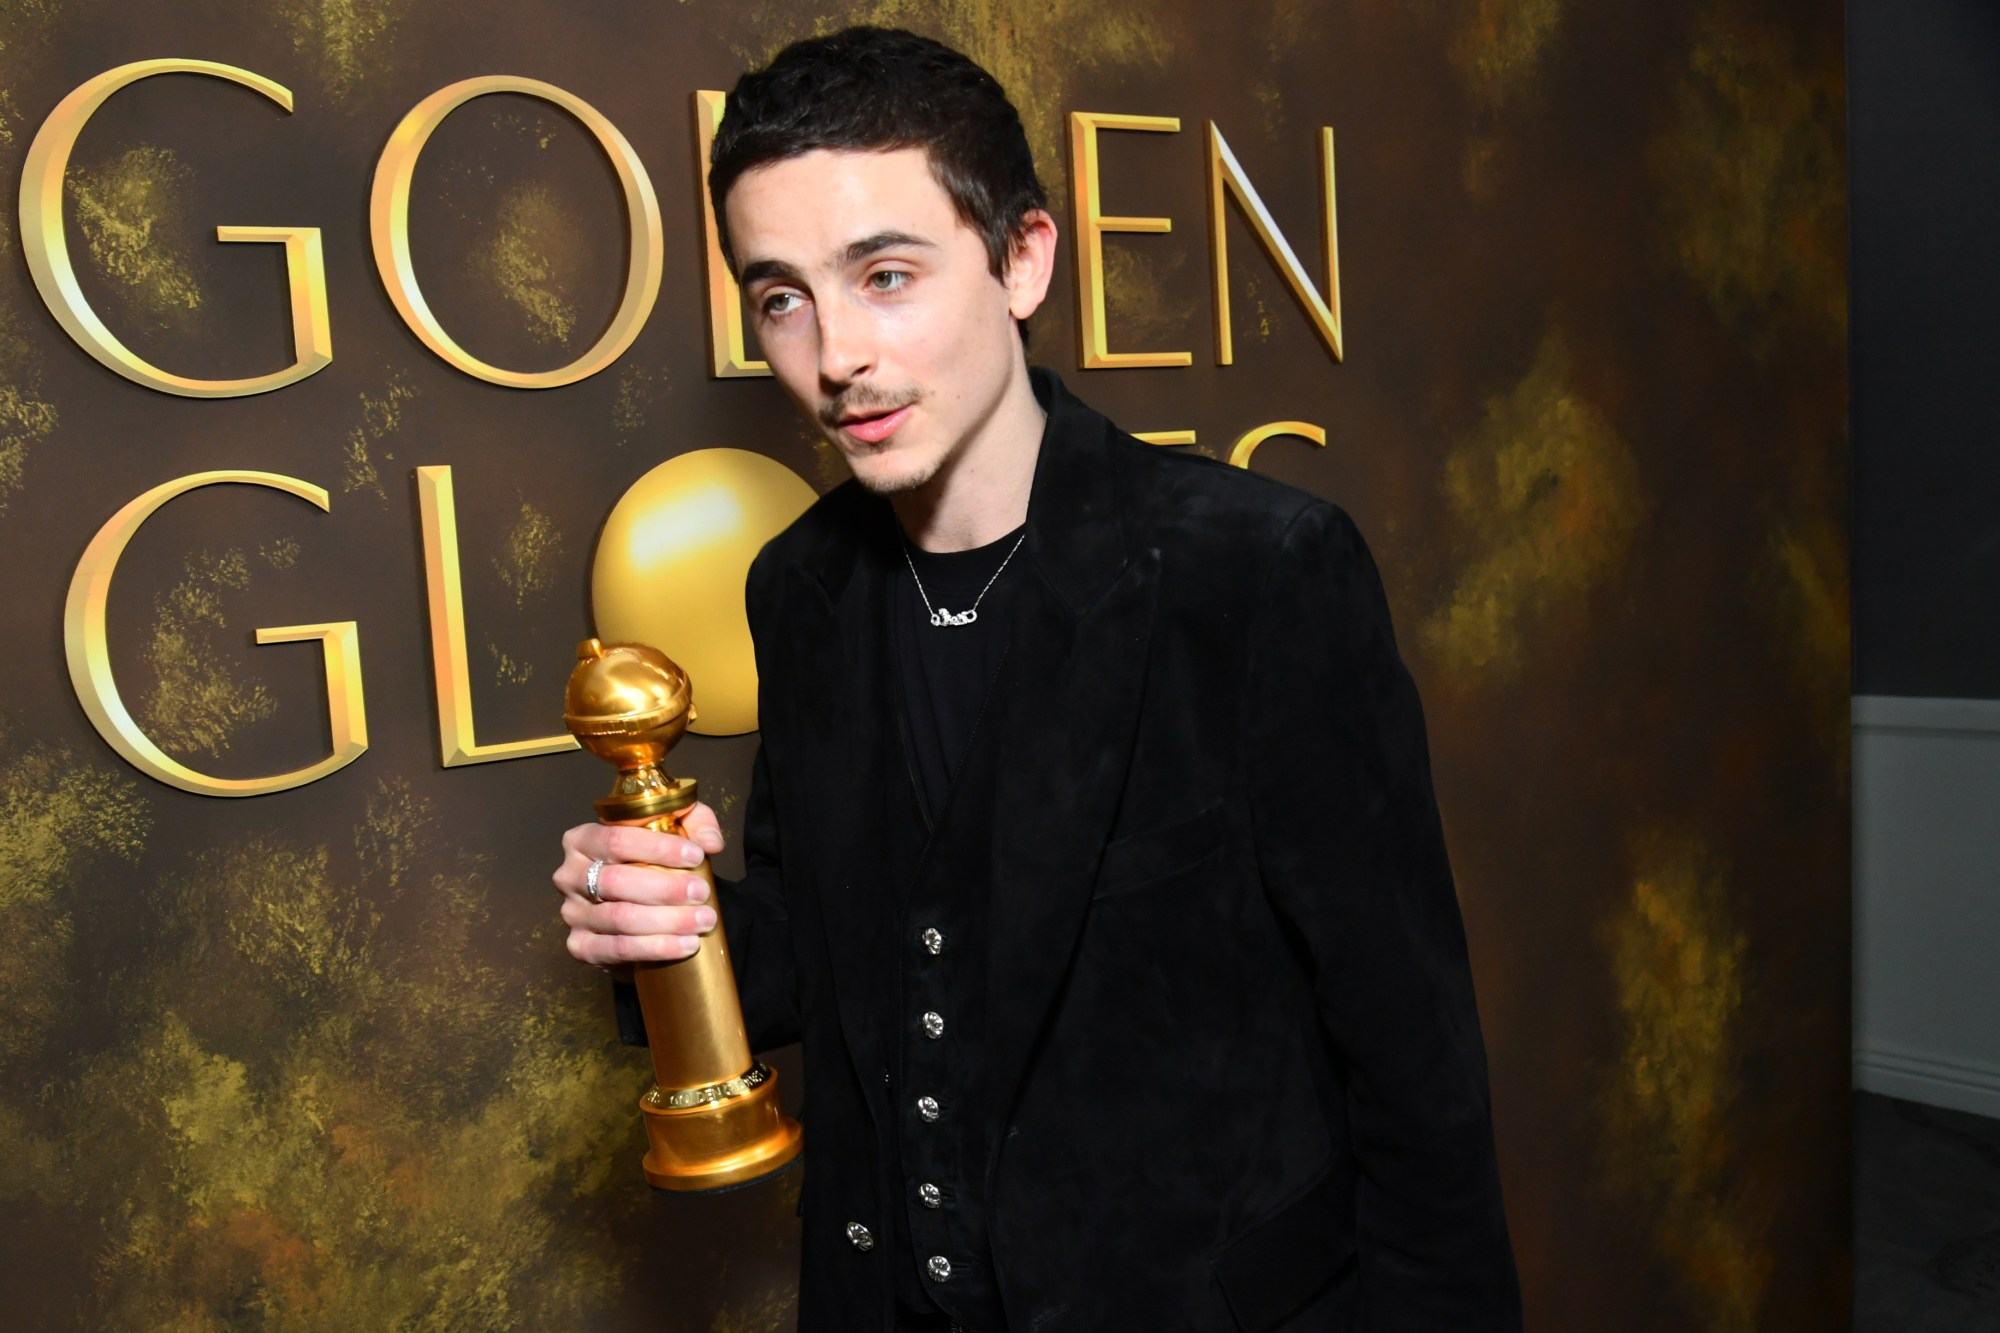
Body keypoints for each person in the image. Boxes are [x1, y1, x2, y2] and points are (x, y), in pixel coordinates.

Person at [552, 26, 1521, 1333]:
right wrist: (666, 927)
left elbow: (1417, 1075)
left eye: (885, 274)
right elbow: (837, 961)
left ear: (1022, 258)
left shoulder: (1261, 571)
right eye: (780, 295)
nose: (833, 352)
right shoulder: (801, 590)